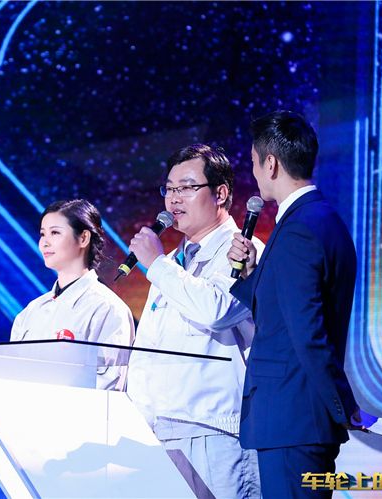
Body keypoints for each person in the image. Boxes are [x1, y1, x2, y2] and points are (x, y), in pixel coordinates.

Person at [228, 110, 361, 499]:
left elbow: (308, 333)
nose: (254, 173)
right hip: (298, 421)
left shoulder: (299, 228)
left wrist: (344, 405)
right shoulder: (321, 220)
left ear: (270, 164)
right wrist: (252, 274)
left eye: (254, 163)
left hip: (293, 421)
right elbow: (287, 314)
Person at [126, 144, 263, 498]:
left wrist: (157, 265)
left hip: (215, 431)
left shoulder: (245, 249)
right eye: (169, 188)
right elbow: (149, 348)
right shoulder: (171, 261)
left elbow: (217, 311)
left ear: (221, 194)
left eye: (187, 187)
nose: (174, 198)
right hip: (161, 431)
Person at [10, 199, 135, 390]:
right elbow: (12, 376)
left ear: (83, 238)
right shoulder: (30, 312)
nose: (44, 243)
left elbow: (107, 386)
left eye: (55, 233)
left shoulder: (108, 309)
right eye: (42, 234)